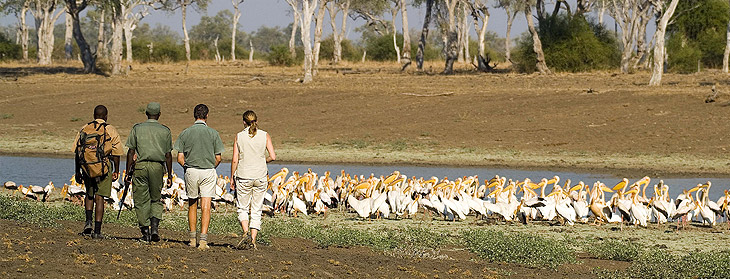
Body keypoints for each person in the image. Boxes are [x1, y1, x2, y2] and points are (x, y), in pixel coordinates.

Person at [174, 104, 224, 250]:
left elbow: (179, 158)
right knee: (206, 206)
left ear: (194, 115)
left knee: (192, 204)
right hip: (208, 170)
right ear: (207, 116)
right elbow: (218, 158)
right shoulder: (213, 133)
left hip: (191, 171)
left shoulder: (185, 133)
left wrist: (187, 167)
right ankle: (203, 241)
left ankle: (192, 239)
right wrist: (210, 167)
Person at [125, 102, 173, 242]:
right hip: (158, 167)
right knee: (155, 198)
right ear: (159, 115)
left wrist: (128, 172)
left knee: (141, 200)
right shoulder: (165, 131)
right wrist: (169, 174)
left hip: (140, 167)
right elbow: (168, 155)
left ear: (146, 113)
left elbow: (131, 151)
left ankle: (145, 232)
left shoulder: (137, 128)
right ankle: (155, 229)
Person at [73, 105, 124, 239]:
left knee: (89, 195)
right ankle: (97, 231)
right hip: (103, 167)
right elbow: (117, 153)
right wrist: (116, 170)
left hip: (87, 167)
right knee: (99, 197)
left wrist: (77, 171)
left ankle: (88, 223)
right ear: (106, 116)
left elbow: (77, 152)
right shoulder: (110, 129)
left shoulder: (84, 128)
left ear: (94, 115)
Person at [231, 110, 276, 250]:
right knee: (256, 209)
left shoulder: (239, 136)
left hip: (243, 175)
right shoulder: (265, 135)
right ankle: (253, 240)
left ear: (244, 122)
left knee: (243, 207)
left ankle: (245, 232)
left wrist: (232, 177)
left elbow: (234, 160)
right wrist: (263, 161)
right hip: (260, 176)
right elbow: (273, 156)